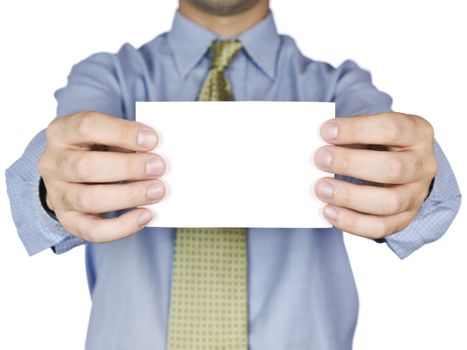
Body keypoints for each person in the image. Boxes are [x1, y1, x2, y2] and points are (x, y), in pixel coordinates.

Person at [5, 0, 461, 349]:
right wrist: (54, 191)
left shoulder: (340, 87)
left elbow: (416, 184)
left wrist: (414, 180)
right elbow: (53, 165)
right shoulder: (108, 78)